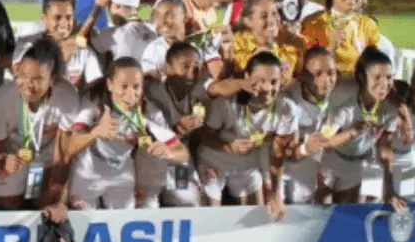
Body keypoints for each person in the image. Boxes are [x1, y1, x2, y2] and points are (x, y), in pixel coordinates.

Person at [61, 57, 188, 210]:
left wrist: (168, 152)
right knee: (83, 219)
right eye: (124, 86)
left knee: (124, 217)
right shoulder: (96, 103)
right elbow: (68, 146)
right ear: (110, 85)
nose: (130, 94)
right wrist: (96, 132)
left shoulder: (148, 110)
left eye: (136, 87)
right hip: (88, 171)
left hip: (121, 172)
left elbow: (183, 153)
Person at [0, 38, 79, 210]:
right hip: (13, 153)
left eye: (37, 79)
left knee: (49, 205)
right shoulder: (0, 100)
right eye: (23, 75)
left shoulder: (67, 96)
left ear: (52, 79)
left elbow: (62, 157)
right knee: (9, 209)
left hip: (48, 156)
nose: (28, 84)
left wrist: (54, 191)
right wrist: (4, 162)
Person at [198, 52, 298, 209]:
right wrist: (228, 146)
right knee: (211, 213)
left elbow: (277, 156)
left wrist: (275, 195)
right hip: (214, 160)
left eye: (274, 82)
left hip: (247, 163)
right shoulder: (226, 102)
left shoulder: (287, 108)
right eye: (260, 81)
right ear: (247, 77)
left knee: (257, 213)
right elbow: (205, 137)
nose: (267, 88)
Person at [318, 47, 409, 211]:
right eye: (377, 77)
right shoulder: (347, 106)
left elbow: (385, 148)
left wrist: (389, 191)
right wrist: (351, 133)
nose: (384, 84)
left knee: (345, 214)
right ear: (362, 77)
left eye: (389, 77)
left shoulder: (389, 109)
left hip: (356, 165)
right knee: (322, 210)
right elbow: (325, 141)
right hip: (330, 160)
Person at [142, 41, 208, 206]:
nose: (191, 73)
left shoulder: (198, 93)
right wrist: (179, 128)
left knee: (188, 200)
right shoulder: (153, 89)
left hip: (179, 159)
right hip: (151, 158)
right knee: (147, 202)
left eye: (196, 67)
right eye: (185, 66)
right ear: (168, 67)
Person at [280, 47, 340, 205]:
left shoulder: (338, 97)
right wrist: (305, 149)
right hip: (284, 165)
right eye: (318, 74)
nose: (326, 80)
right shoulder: (288, 101)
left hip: (312, 164)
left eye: (331, 73)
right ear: (304, 76)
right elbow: (281, 150)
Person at [300, 0, 382, 78]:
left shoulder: (368, 25)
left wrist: (363, 54)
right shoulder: (314, 23)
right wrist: (331, 46)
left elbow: (375, 66)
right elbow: (306, 66)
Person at [14, 0, 101, 90]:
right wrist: (58, 57)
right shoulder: (26, 45)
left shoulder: (83, 51)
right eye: (57, 17)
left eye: (68, 17)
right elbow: (19, 77)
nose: (64, 23)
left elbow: (96, 86)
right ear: (43, 18)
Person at [231, 0, 306, 83]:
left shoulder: (288, 44)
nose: (272, 20)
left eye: (274, 13)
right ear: (248, 21)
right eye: (264, 16)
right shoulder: (239, 42)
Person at [87, 0, 159, 64]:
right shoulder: (155, 31)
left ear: (117, 6)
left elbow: (82, 41)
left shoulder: (112, 34)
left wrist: (98, 7)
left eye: (109, 7)